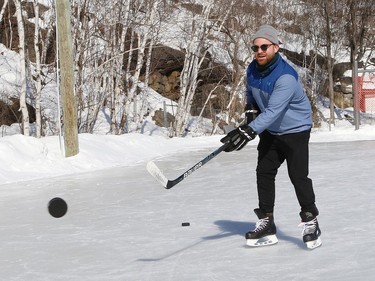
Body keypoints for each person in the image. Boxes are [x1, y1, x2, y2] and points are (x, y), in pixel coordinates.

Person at [220, 25, 321, 249]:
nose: (259, 51)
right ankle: (266, 222)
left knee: (298, 176)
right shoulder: (252, 69)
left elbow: (274, 110)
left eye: (264, 46)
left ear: (276, 47)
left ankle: (310, 220)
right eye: (255, 47)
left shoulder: (286, 77)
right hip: (271, 129)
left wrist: (248, 130)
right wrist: (249, 108)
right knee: (264, 172)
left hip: (295, 130)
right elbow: (250, 91)